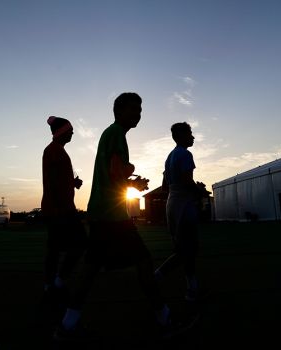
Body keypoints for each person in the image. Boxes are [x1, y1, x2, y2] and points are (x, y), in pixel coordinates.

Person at [54, 92, 196, 340]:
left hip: (100, 212)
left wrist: (132, 182)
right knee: (143, 262)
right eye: (133, 109)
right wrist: (132, 176)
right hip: (112, 215)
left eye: (140, 109)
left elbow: (112, 175)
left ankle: (67, 326)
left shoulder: (110, 133)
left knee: (89, 270)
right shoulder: (117, 134)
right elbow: (116, 172)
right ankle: (165, 319)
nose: (138, 114)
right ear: (119, 111)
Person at [154, 122, 205, 303]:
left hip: (172, 205)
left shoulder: (169, 157)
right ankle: (161, 277)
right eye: (190, 133)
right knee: (188, 249)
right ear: (181, 136)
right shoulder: (185, 154)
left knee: (183, 248)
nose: (192, 137)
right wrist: (199, 190)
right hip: (184, 205)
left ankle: (191, 286)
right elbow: (187, 181)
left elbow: (164, 187)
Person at [41, 116, 87, 303]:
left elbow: (57, 179)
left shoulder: (56, 151)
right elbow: (52, 182)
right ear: (62, 132)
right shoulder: (54, 151)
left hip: (61, 208)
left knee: (57, 247)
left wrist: (72, 182)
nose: (73, 133)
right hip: (60, 209)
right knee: (77, 244)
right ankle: (54, 282)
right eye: (70, 130)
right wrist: (60, 210)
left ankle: (53, 283)